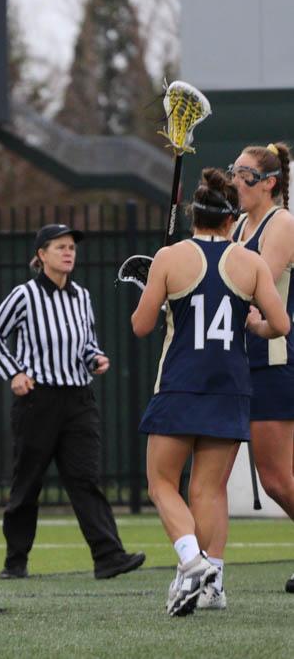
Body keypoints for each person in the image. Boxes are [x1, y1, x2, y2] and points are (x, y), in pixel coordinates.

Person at [132, 169, 289, 616]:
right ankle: (213, 583)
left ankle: (191, 560)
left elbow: (141, 326)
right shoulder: (250, 261)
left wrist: (157, 292)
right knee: (210, 490)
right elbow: (280, 324)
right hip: (230, 386)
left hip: (181, 383)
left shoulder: (170, 256)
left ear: (193, 215)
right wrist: (253, 323)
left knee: (162, 483)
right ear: (229, 219)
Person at [0, 224, 144, 581]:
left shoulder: (81, 296)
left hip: (78, 400)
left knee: (85, 479)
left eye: (72, 247)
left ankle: (108, 557)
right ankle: (15, 561)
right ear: (41, 255)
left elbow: (86, 343)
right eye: (60, 247)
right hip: (38, 402)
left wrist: (96, 358)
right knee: (28, 482)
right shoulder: (24, 295)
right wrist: (14, 373)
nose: (69, 252)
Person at [216, 142, 294, 601]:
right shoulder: (241, 223)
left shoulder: (280, 223)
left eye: (245, 174)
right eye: (234, 171)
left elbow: (252, 285)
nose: (236, 181)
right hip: (239, 359)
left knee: (278, 478)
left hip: (273, 359)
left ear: (269, 183)